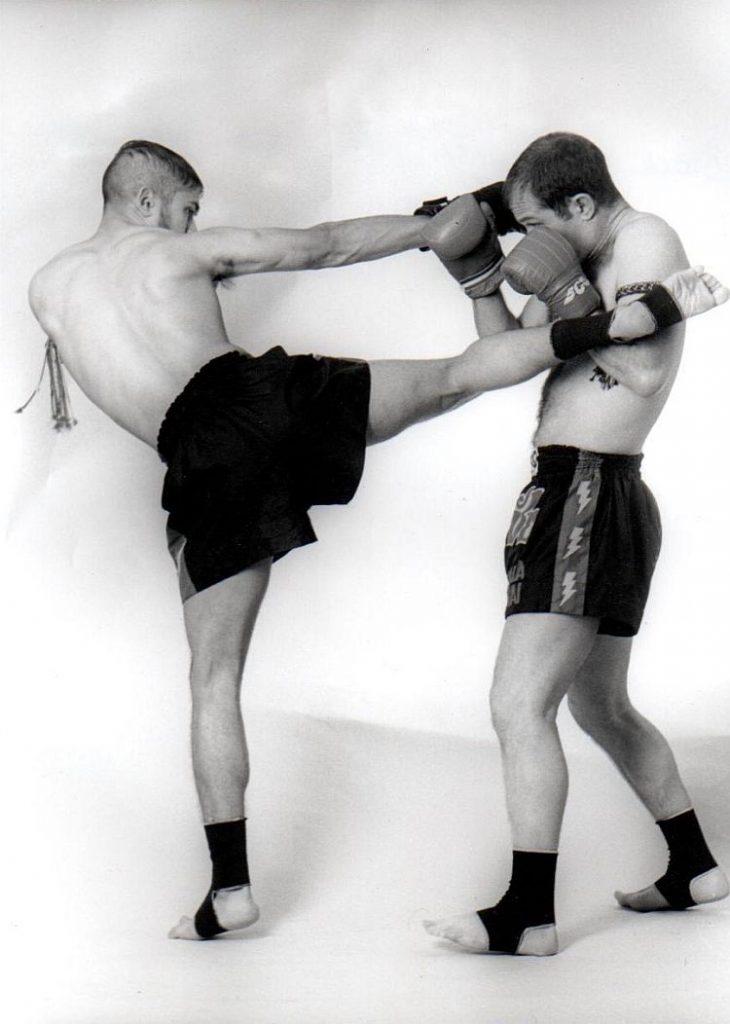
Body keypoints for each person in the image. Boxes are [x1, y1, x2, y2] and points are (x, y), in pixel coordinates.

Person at [27, 140, 725, 943]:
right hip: (260, 399)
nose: (195, 221)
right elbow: (324, 248)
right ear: (146, 202)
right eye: (188, 206)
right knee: (452, 383)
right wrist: (436, 235)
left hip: (195, 455)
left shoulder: (50, 289)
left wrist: (500, 263)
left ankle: (229, 890)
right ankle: (678, 869)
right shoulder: (181, 253)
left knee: (213, 681)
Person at [422, 133, 730, 956]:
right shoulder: (577, 263)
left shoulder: (645, 240)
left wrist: (562, 292)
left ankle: (527, 914)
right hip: (585, 494)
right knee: (601, 704)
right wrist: (482, 275)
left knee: (518, 706)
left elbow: (644, 374)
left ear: (581, 206)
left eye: (534, 224)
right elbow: (500, 359)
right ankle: (696, 865)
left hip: (590, 494)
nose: (532, 241)